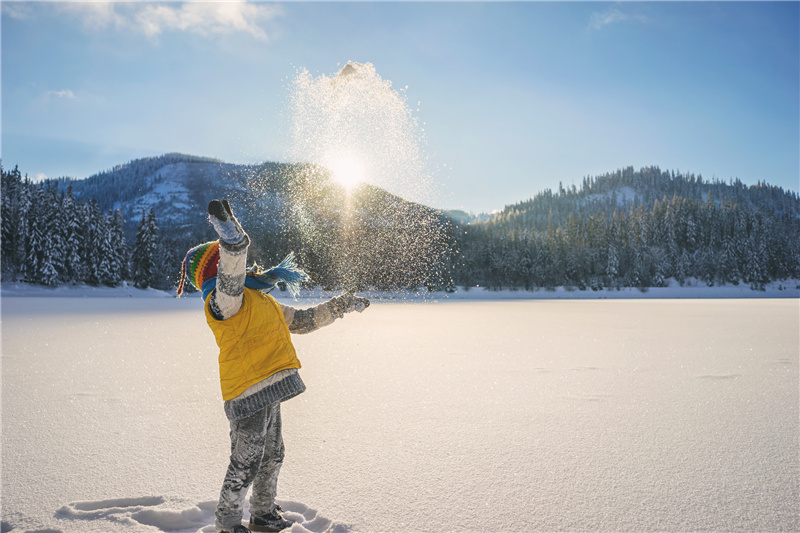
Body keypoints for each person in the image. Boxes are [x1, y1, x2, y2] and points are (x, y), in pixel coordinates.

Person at [177, 199, 370, 533]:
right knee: (246, 460)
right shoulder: (223, 303)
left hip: (271, 385)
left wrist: (339, 306)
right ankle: (227, 522)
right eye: (224, 262)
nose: (241, 270)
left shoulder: (260, 300)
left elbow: (304, 320)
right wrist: (233, 241)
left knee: (273, 454)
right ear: (217, 270)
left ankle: (263, 513)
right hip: (246, 391)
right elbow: (233, 273)